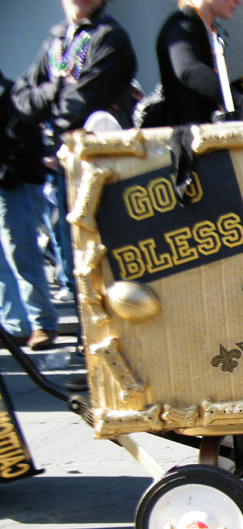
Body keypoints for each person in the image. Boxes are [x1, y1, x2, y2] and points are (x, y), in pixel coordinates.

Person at [13, 0, 138, 385]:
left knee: (108, 266)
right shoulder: (56, 39)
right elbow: (21, 98)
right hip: (64, 171)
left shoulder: (110, 38)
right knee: (78, 268)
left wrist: (50, 103)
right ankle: (95, 356)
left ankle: (118, 358)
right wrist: (53, 91)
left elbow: (79, 104)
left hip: (102, 172)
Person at [0, 69, 60, 350]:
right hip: (10, 182)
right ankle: (16, 324)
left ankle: (42, 323)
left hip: (15, 185)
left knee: (22, 255)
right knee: (5, 261)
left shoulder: (11, 94)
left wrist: (7, 174)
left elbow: (27, 141)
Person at [157, 0, 243, 126]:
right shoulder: (181, 24)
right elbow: (189, 70)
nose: (239, 2)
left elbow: (205, 98)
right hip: (190, 142)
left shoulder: (206, 30)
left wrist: (240, 85)